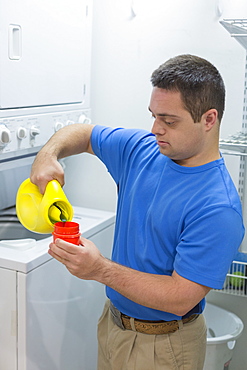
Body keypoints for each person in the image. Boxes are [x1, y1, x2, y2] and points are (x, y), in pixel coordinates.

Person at [30, 54, 245, 370]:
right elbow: (85, 134)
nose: (156, 128)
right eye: (154, 115)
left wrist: (99, 269)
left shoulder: (217, 207)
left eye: (169, 121)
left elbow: (180, 296)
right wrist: (46, 155)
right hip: (113, 325)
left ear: (209, 119)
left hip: (166, 346)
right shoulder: (142, 149)